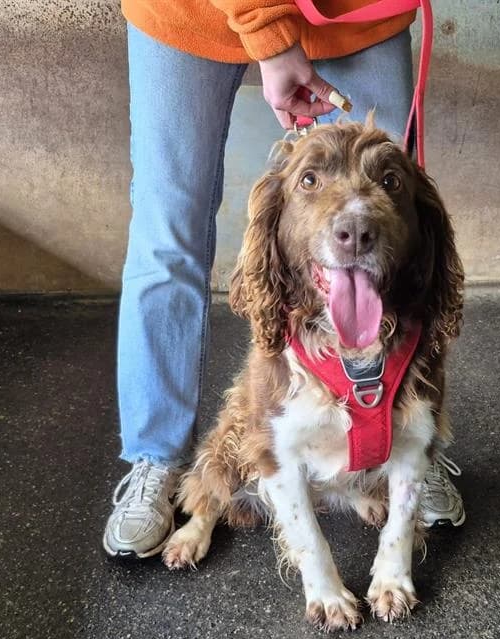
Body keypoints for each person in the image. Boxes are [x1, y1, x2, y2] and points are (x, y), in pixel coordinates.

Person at [103, 0, 466, 558]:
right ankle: (157, 456)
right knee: (166, 233)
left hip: (355, 12)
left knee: (385, 220)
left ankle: (402, 446)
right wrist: (268, 30)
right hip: (187, 11)